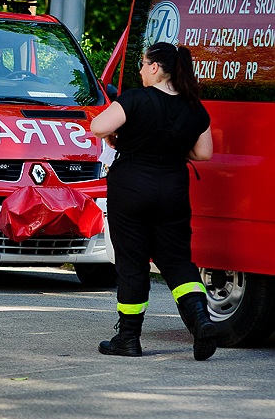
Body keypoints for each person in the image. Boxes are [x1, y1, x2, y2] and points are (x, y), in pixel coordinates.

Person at [90, 41, 214, 360]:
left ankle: (128, 339)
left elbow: (98, 126)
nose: (141, 70)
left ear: (155, 68)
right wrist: (171, 147)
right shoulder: (194, 107)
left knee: (132, 262)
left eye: (143, 64)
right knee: (177, 260)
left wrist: (120, 135)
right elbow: (204, 153)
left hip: (131, 187)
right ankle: (201, 320)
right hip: (173, 188)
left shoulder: (135, 98)